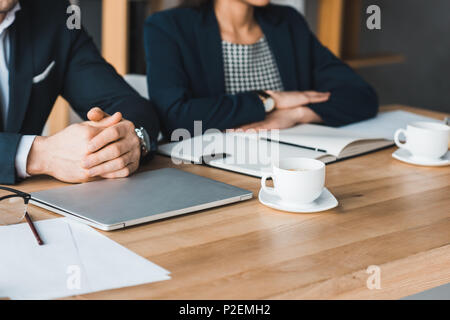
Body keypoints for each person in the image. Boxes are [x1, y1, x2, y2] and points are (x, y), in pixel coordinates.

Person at [144, 0, 378, 137]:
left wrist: (295, 114)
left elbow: (361, 96)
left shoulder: (287, 21)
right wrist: (270, 100)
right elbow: (174, 118)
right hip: (210, 172)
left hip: (291, 163)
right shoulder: (167, 27)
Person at [0, 0, 159, 185]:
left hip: (29, 202)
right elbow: (42, 155)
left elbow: (125, 104)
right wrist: (39, 155)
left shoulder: (52, 12)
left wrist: (128, 140)